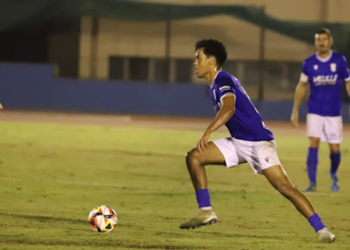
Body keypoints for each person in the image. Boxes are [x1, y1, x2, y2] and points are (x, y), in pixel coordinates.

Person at [179, 39, 335, 243]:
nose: (195, 63)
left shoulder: (223, 79)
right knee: (194, 157)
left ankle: (322, 230)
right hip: (239, 142)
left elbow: (229, 108)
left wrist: (208, 130)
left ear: (212, 61)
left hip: (259, 143)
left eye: (198, 58)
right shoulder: (214, 85)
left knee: (285, 188)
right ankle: (206, 211)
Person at [291, 28, 350, 192]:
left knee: (335, 149)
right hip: (315, 110)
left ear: (330, 42)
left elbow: (348, 82)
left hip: (333, 112)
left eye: (324, 39)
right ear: (316, 42)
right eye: (318, 39)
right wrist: (295, 109)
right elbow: (302, 86)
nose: (321, 42)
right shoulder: (309, 63)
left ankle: (333, 172)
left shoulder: (339, 61)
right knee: (314, 141)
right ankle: (312, 182)